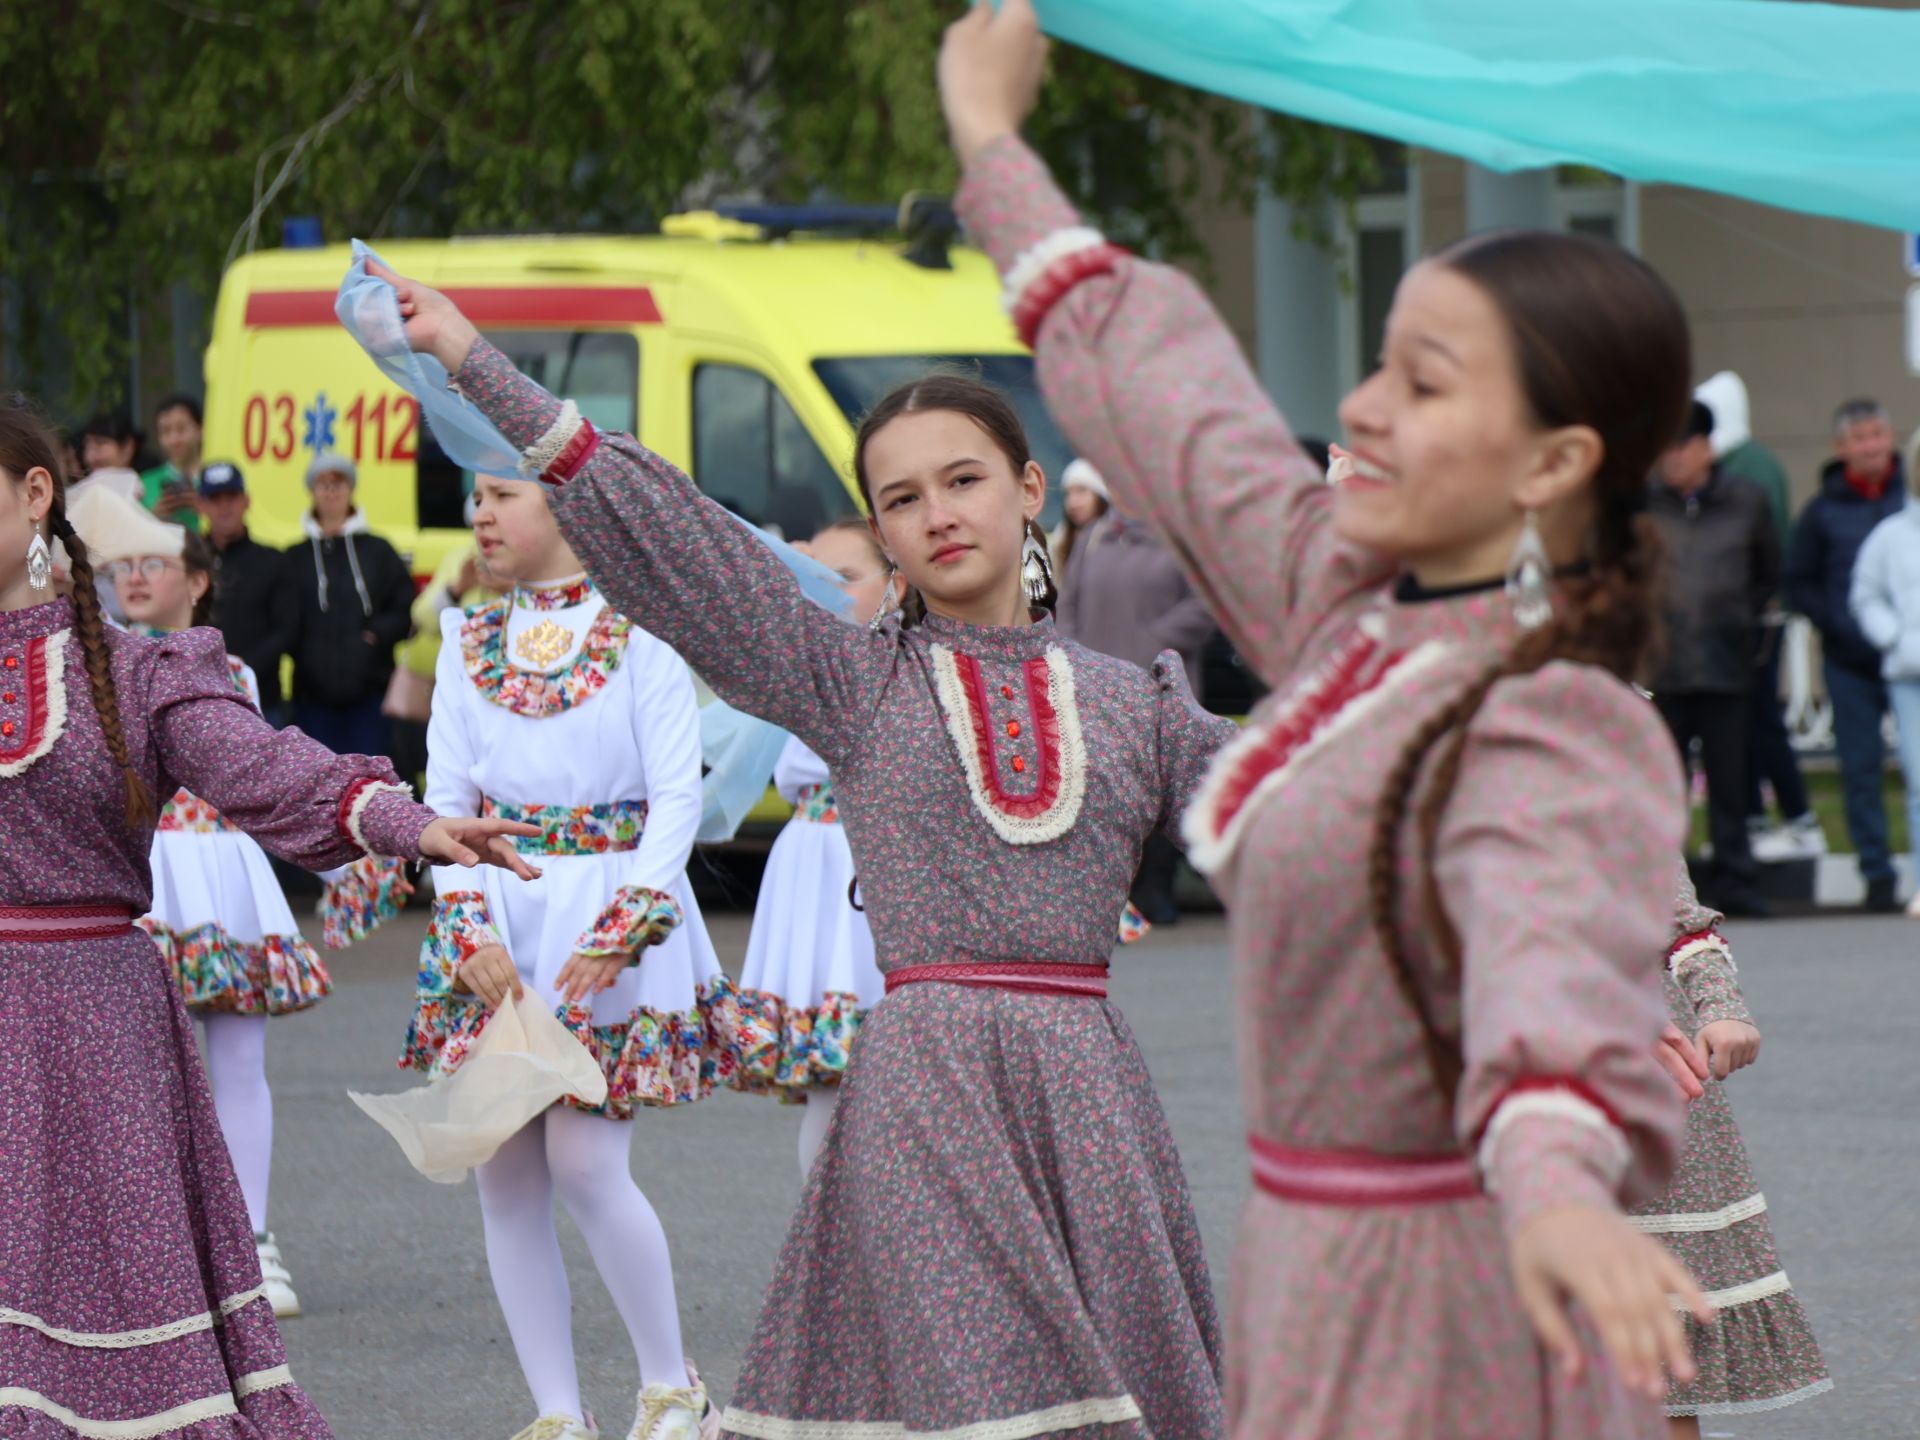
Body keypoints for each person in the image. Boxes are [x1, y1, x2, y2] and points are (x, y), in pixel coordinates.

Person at [937, 5, 1711, 1438]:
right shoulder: (1344, 610)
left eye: (1423, 383)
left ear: (1555, 459)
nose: (1359, 405)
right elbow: (1175, 401)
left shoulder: (1555, 716)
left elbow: (1548, 986)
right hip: (1306, 1271)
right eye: (1378, 363)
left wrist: (1553, 1188)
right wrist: (991, 135)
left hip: (1452, 1303)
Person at [368, 251, 1240, 1437]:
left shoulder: (1134, 701)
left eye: (965, 480)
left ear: (1030, 489)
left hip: (1089, 1107)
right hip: (926, 1098)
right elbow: (676, 534)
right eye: (901, 499)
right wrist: (475, 360)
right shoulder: (852, 682)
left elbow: (1308, 795)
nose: (937, 514)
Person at [0, 397, 536, 1438]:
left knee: (120, 1344)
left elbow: (262, 767)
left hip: (92, 1025)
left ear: (33, 496)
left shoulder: (134, 667)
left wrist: (405, 820)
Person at [404, 470, 732, 1440]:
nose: (483, 513)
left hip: (604, 909)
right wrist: (464, 922)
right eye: (478, 496)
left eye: (505, 493)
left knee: (588, 1163)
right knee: (503, 1172)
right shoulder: (467, 638)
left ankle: (672, 1386)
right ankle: (556, 1411)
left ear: (568, 510)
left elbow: (680, 795)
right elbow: (446, 791)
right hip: (498, 913)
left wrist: (636, 910)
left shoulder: (641, 633)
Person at [75, 490, 327, 1318]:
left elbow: (257, 776)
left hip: (217, 868)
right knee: (127, 1071)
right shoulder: (91, 660)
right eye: (123, 567)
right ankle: (150, 1247)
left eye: (156, 564)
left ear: (197, 583)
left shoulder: (227, 672)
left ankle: (254, 1240)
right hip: (141, 874)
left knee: (240, 1062)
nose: (137, 578)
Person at [1635, 872, 1830, 1436]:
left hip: (1641, 1080)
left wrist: (1720, 1005)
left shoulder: (1614, 790)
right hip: (1490, 1072)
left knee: (1653, 1360)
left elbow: (1680, 923)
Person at [734, 520, 892, 1178]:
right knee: (831, 1083)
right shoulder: (800, 661)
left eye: (847, 580)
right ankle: (828, 1238)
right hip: (820, 859)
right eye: (815, 581)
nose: (827, 595)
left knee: (898, 1072)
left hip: (883, 858)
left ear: (897, 587)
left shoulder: (910, 664)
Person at [1056, 457, 1218, 923]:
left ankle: (1156, 892)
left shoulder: (1182, 540)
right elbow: (1069, 602)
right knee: (1105, 791)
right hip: (1095, 687)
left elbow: (1206, 604)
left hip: (1161, 685)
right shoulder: (1093, 538)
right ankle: (1112, 893)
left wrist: (1154, 639)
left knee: (1165, 789)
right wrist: (1071, 650)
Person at [1647, 400, 1779, 917]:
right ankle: (1665, 892)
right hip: (1660, 668)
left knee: (1730, 781)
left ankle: (1736, 883)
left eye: (1678, 446)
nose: (1669, 458)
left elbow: (1768, 571)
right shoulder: (1644, 504)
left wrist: (1743, 625)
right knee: (1663, 787)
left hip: (1727, 664)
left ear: (1705, 448)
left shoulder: (1746, 501)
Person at [1785, 399, 1907, 912]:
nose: (1871, 446)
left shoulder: (1911, 499)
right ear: (1842, 448)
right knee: (1859, 770)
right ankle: (1876, 873)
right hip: (1851, 662)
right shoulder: (1822, 513)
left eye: (1878, 434)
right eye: (1860, 438)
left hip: (1911, 657)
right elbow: (1798, 581)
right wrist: (1835, 622)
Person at [1694, 373, 1822, 860]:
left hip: (1752, 623)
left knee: (1762, 720)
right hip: (1731, 622)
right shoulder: (1749, 464)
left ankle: (1796, 817)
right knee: (1737, 729)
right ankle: (1753, 818)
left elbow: (1764, 550)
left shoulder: (1748, 469)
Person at [281, 450, 415, 757]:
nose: (331, 491)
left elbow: (404, 606)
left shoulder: (378, 550)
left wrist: (374, 637)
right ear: (312, 491)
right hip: (311, 698)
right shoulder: (295, 556)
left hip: (370, 695)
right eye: (322, 483)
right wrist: (305, 648)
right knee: (320, 783)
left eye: (338, 482)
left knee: (372, 779)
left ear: (350, 489)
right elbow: (284, 617)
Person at [1848, 426, 1920, 917]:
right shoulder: (1891, 536)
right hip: (1910, 675)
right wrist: (1895, 638)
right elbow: (1865, 596)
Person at [199, 460, 296, 725]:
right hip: (199, 701)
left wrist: (241, 670)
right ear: (201, 506)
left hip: (263, 702)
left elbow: (287, 629)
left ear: (247, 501)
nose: (224, 506)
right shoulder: (189, 562)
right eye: (214, 498)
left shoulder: (272, 560)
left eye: (231, 496)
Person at [142, 393, 206, 524]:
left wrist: (206, 511)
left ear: (200, 430)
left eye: (181, 429)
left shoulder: (219, 479)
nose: (174, 440)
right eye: (165, 431)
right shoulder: (142, 485)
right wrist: (153, 517)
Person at [1051, 454, 1109, 574]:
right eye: (1068, 493)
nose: (1072, 502)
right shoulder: (1060, 539)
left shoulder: (1118, 537)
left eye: (1081, 491)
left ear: (1099, 495)